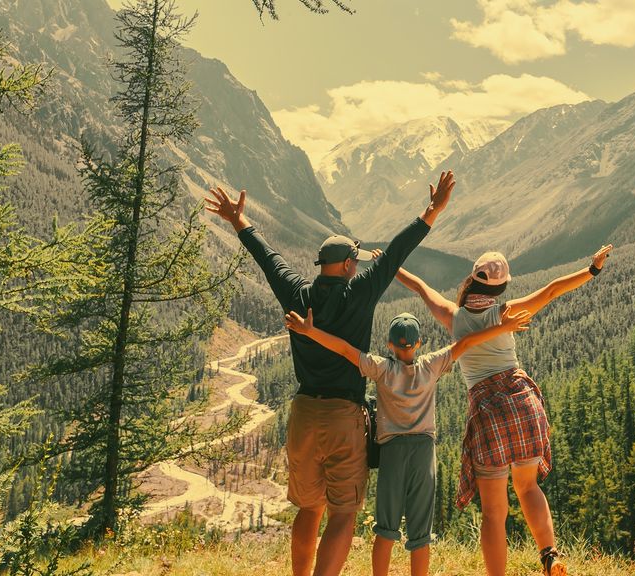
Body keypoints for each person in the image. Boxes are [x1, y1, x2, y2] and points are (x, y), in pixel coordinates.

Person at [203, 171, 455, 576]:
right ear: (351, 265)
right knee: (342, 513)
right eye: (355, 260)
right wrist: (432, 211)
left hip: (304, 414)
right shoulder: (361, 291)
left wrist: (239, 222)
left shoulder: (297, 293)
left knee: (309, 507)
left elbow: (268, 258)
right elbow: (395, 253)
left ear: (323, 266)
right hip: (343, 417)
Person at [394, 244, 613, 576]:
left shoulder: (454, 317)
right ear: (501, 286)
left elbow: (420, 287)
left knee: (494, 512)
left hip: (488, 412)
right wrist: (592, 269)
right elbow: (553, 290)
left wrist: (390, 265)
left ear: (473, 279)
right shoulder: (506, 312)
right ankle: (549, 555)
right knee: (528, 487)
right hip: (523, 402)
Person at [283, 308, 534, 576]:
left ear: (390, 344)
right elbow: (467, 342)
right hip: (423, 452)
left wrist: (309, 331)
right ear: (418, 344)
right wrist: (502, 327)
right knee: (420, 533)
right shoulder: (431, 365)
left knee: (386, 529)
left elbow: (345, 350)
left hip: (391, 452)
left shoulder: (382, 369)